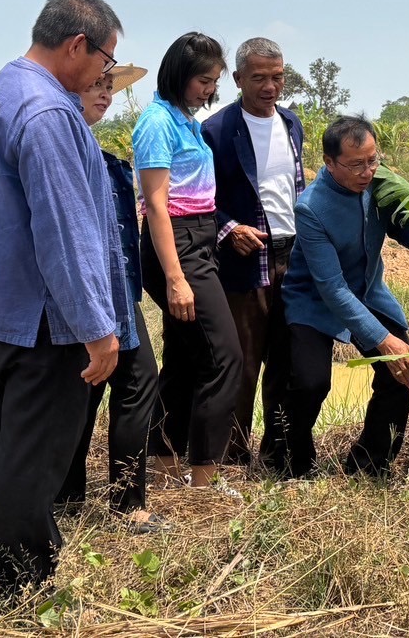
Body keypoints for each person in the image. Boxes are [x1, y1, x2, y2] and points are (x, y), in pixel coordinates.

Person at [0, 0, 131, 598]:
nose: (103, 74)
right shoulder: (49, 113)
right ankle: (19, 584)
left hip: (5, 306)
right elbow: (66, 231)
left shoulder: (4, 87)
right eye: (105, 60)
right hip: (46, 316)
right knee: (37, 454)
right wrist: (97, 327)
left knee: (3, 442)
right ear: (77, 44)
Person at [281, 116, 409, 478]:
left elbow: (396, 222)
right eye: (356, 164)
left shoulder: (378, 181)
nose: (367, 171)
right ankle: (293, 464)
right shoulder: (311, 207)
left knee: (403, 370)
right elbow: (332, 288)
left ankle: (369, 466)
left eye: (373, 160)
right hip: (314, 302)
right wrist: (382, 339)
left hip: (367, 294)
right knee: (311, 383)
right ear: (329, 162)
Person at [56, 63, 164, 530]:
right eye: (95, 85)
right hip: (85, 289)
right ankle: (78, 496)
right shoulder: (62, 147)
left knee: (131, 380)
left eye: (108, 87)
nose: (105, 94)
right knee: (91, 386)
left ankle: (114, 498)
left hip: (115, 288)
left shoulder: (95, 153)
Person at [134, 32, 243, 492]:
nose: (210, 91)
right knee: (225, 358)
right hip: (176, 246)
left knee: (184, 358)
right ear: (179, 74)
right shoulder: (157, 122)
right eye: (203, 81)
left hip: (198, 241)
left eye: (214, 82)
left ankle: (163, 467)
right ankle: (204, 479)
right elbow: (156, 206)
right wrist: (176, 278)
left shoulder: (184, 120)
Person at [202, 38, 305, 467]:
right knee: (242, 364)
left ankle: (277, 453)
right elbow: (198, 200)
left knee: (286, 361)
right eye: (259, 77)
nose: (269, 87)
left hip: (292, 258)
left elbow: (295, 189)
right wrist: (229, 229)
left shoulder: (292, 123)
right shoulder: (216, 131)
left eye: (277, 77)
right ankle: (231, 458)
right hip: (244, 263)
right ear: (238, 79)